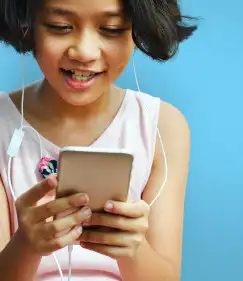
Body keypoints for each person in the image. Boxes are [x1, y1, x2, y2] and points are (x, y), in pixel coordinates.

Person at [0, 0, 197, 280]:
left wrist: (133, 248)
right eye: (61, 27)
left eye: (112, 29)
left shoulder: (162, 126)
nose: (84, 52)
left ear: (136, 31)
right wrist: (25, 247)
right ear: (27, 26)